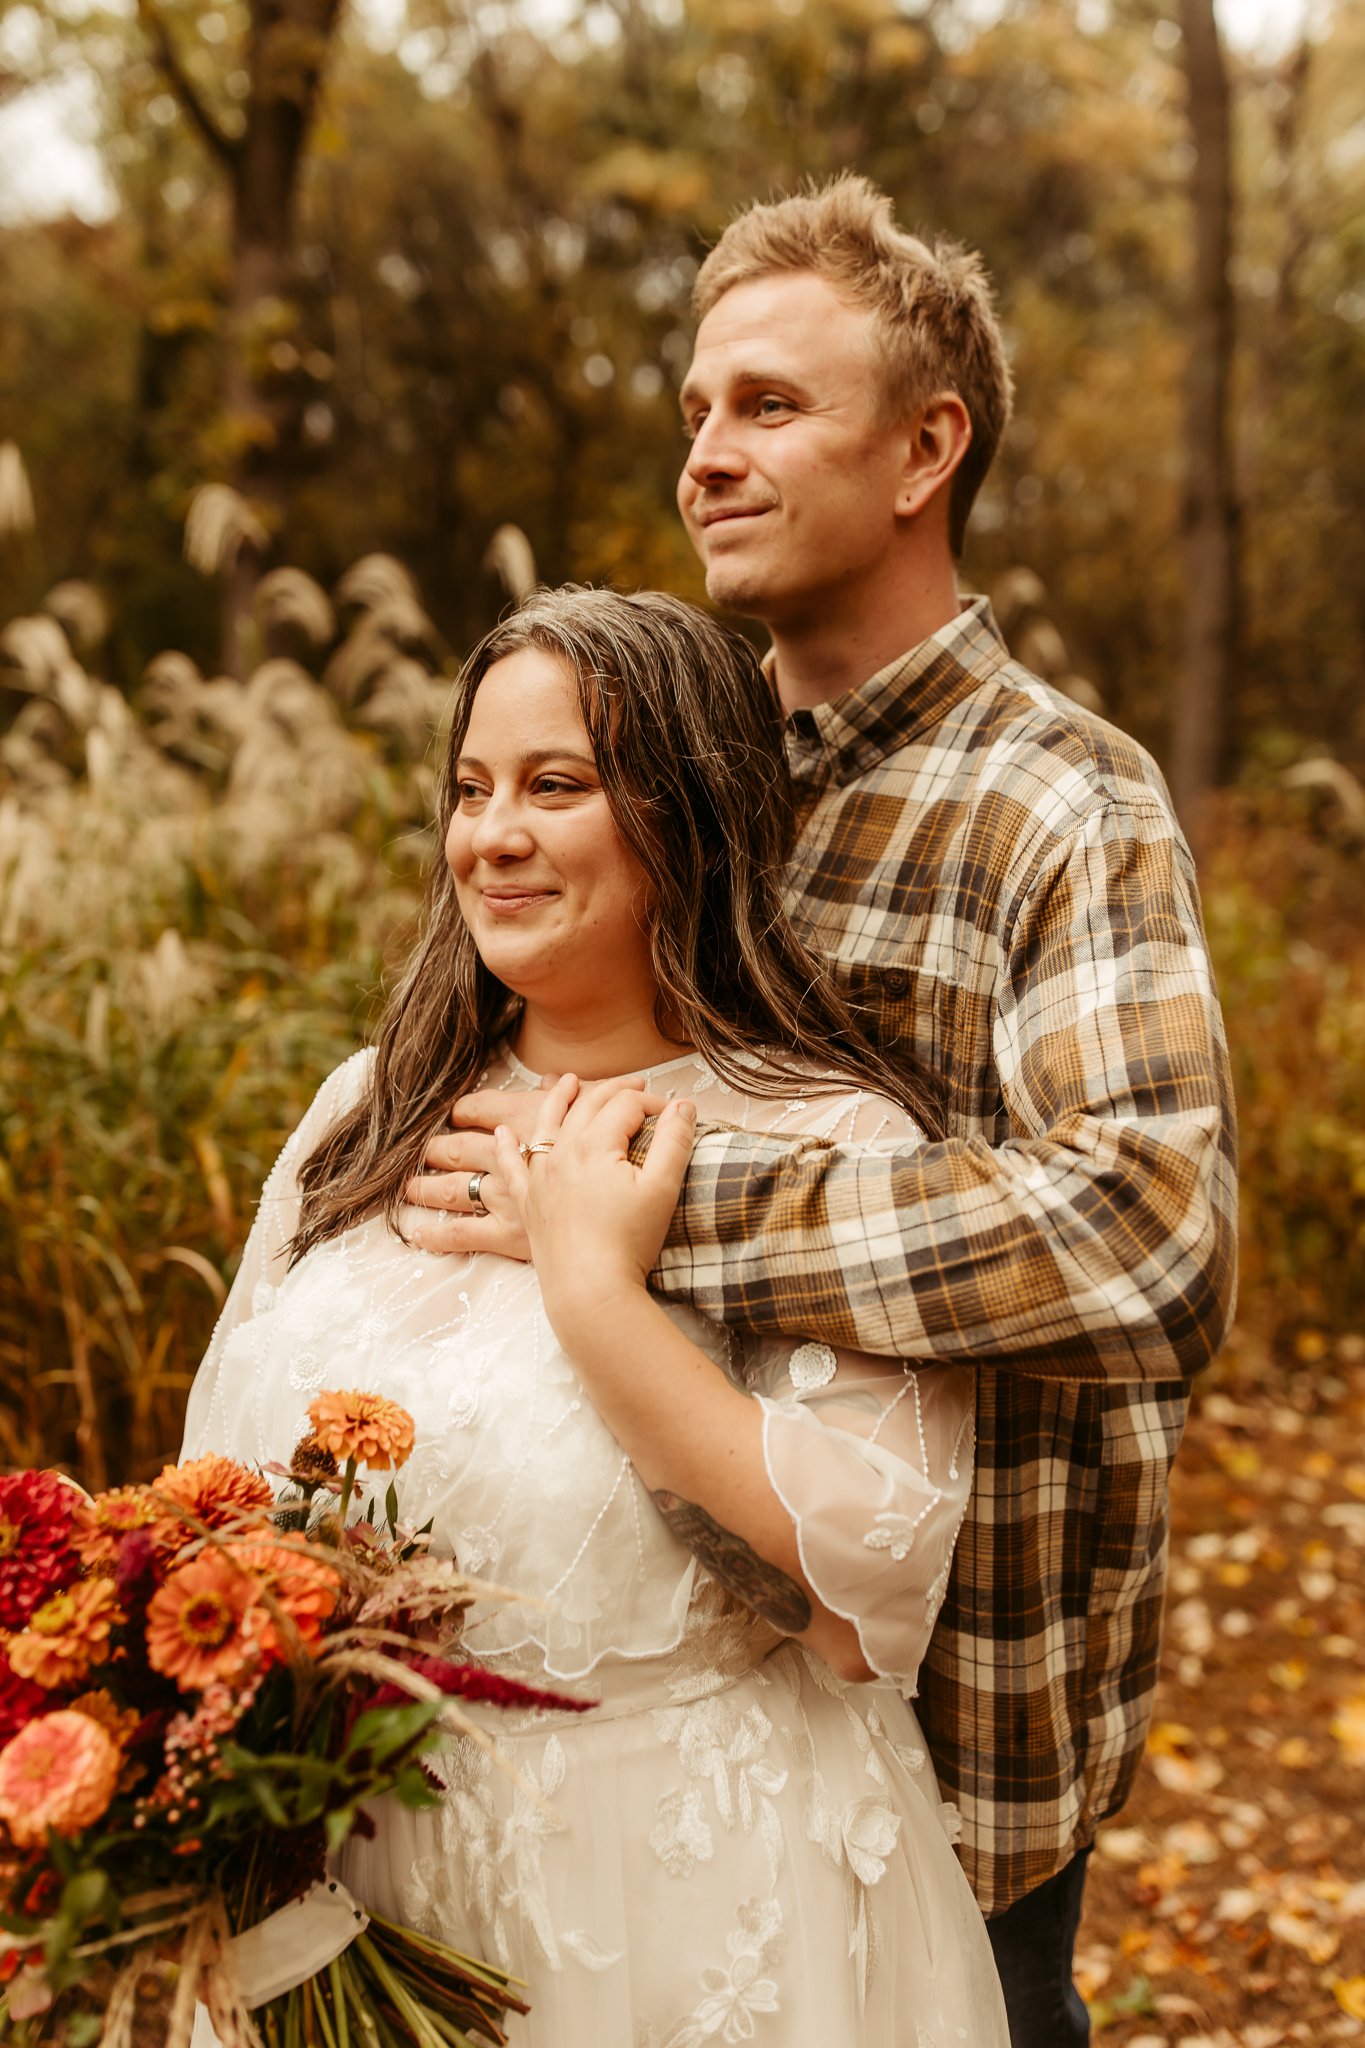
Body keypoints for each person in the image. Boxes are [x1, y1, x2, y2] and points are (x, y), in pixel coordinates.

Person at [405, 176, 1239, 2046]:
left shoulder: (1059, 807)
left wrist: (653, 1218)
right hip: (609, 1735)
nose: (704, 453)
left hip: (949, 1749)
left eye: (768, 406)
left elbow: (1148, 1231)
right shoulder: (668, 772)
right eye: (695, 409)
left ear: (926, 445)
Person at [182, 587, 1011, 2045]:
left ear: (686, 808)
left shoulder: (834, 1140)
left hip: (668, 1911)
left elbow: (864, 1590)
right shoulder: (368, 1111)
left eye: (555, 786)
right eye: (470, 788)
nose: (491, 835)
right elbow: (211, 1498)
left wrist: (592, 1292)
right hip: (337, 1893)